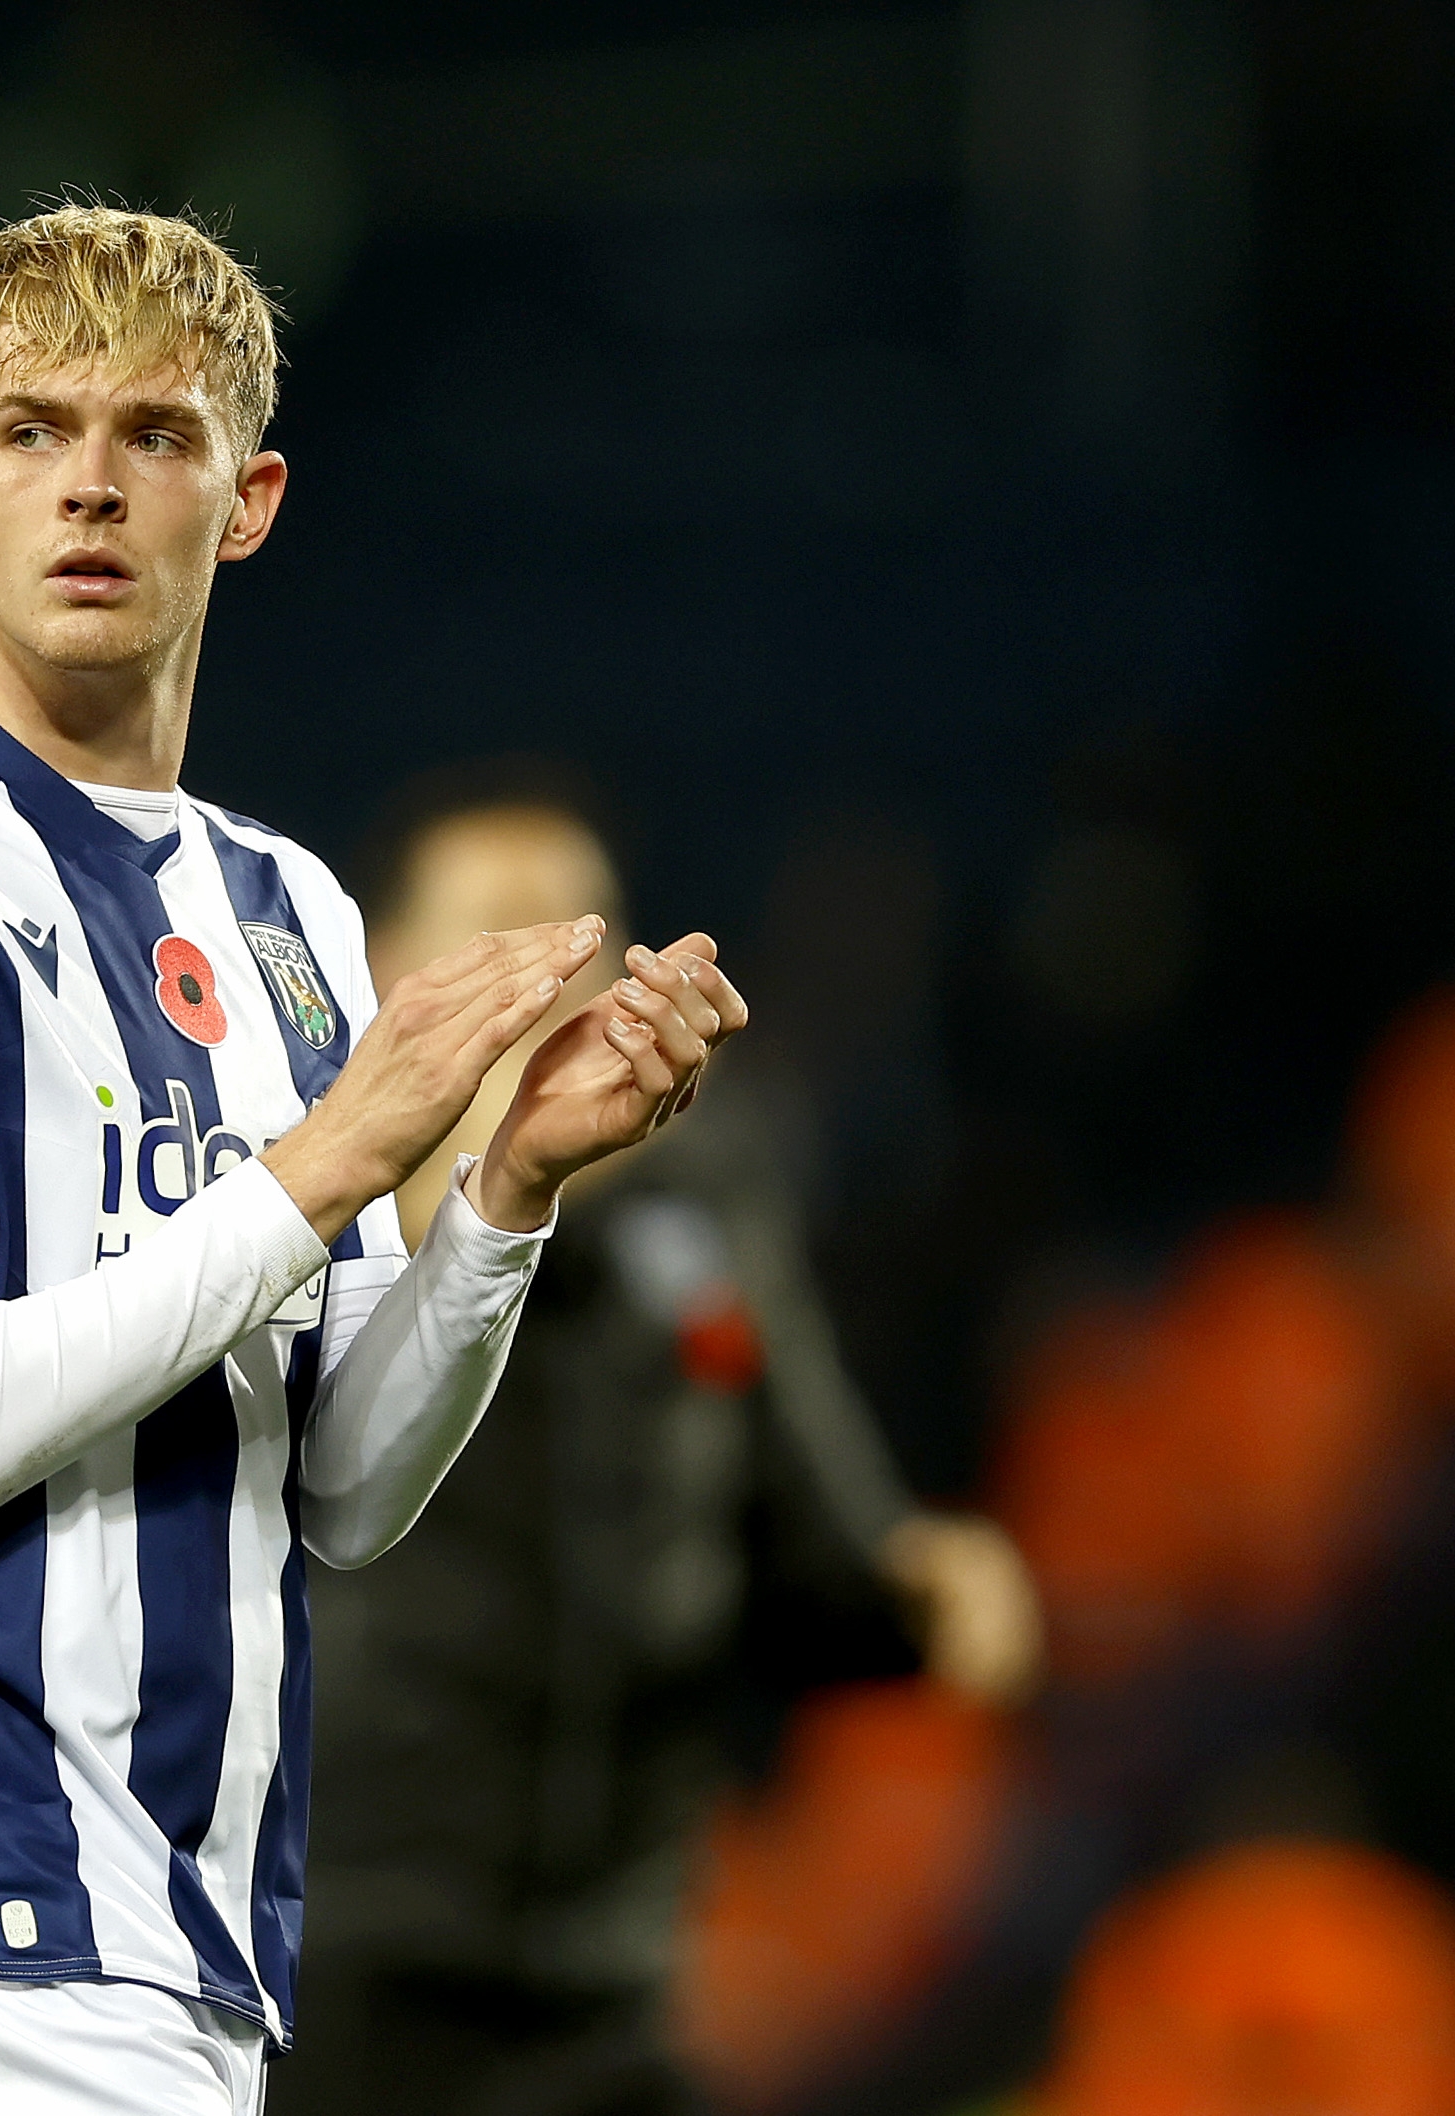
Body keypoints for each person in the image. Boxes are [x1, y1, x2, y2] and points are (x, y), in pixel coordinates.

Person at [0, 205, 748, 2116]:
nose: (87, 488)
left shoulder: (288, 914)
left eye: (151, 436)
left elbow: (341, 1486)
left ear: (245, 499)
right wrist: (334, 1156)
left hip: (194, 1931)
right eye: (30, 431)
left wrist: (506, 1189)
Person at [277, 787, 1041, 2116]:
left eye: (577, 936)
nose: (545, 978)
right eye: (492, 938)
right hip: (332, 1956)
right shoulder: (286, 1214)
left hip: (606, 1973)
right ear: (382, 970)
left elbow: (803, 1534)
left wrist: (912, 1588)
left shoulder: (698, 1218)